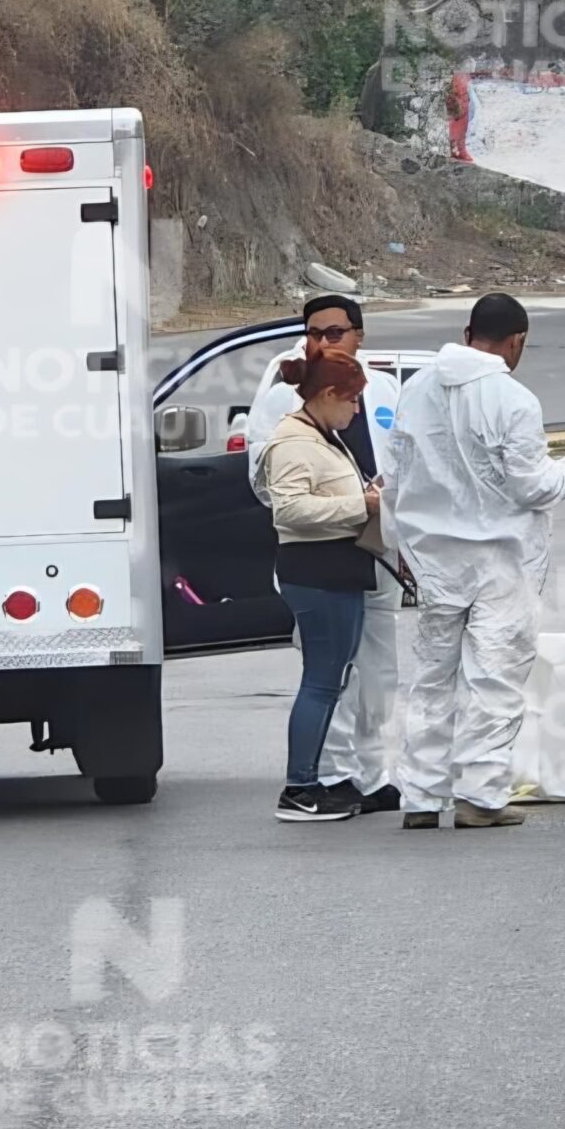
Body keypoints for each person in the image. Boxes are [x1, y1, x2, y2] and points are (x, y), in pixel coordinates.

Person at [385, 293, 565, 829]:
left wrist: (404, 546)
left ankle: (422, 799)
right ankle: (479, 794)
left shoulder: (416, 390)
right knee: (493, 678)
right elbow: (531, 486)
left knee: (432, 680)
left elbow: (397, 477)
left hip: (434, 560)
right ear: (516, 340)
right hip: (502, 561)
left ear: (467, 330)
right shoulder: (514, 399)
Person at [247, 293, 411, 815]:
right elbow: (266, 481)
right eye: (314, 332)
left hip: (376, 548)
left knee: (379, 674)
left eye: (334, 332)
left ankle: (370, 772)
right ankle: (332, 774)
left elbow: (403, 459)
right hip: (324, 554)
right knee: (334, 672)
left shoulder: (381, 388)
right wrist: (344, 508)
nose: (321, 341)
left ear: (359, 334)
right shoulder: (285, 397)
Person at [257, 348, 382, 821]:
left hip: (336, 566)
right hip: (316, 570)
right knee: (321, 681)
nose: (355, 411)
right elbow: (287, 510)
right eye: (351, 401)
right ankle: (299, 788)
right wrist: (362, 507)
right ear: (327, 395)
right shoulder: (294, 441)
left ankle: (312, 782)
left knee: (331, 679)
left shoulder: (320, 434)